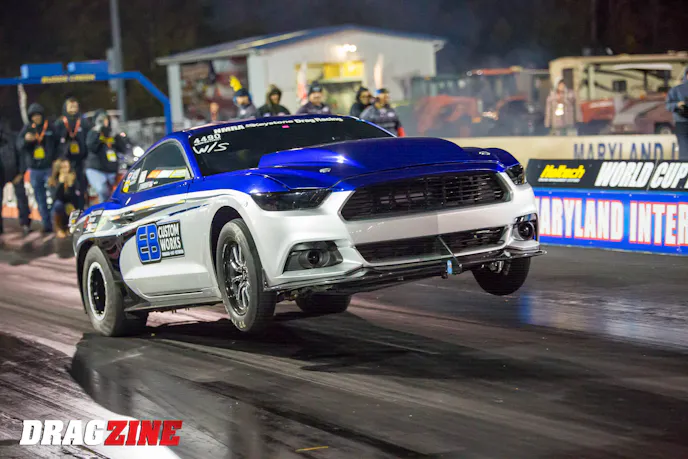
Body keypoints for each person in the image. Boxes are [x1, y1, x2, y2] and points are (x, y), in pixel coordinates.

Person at [16, 103, 56, 234]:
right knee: (40, 197)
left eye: (38, 115)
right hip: (34, 169)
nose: (36, 118)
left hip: (49, 168)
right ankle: (46, 224)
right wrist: (26, 140)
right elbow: (19, 145)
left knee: (54, 195)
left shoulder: (50, 126)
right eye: (34, 116)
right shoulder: (27, 128)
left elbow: (58, 144)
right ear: (30, 117)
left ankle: (55, 221)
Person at [85, 110, 126, 204]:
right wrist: (97, 130)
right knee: (102, 190)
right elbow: (91, 146)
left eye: (105, 119)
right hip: (96, 170)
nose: (104, 121)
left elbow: (123, 148)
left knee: (118, 193)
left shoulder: (112, 133)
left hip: (111, 171)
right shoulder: (93, 132)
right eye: (101, 119)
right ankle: (103, 209)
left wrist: (116, 133)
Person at [53, 97, 87, 209]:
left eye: (75, 106)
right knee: (64, 190)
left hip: (80, 162)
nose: (73, 109)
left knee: (80, 190)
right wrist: (60, 158)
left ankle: (80, 212)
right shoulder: (59, 123)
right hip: (64, 164)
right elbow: (54, 143)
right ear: (65, 108)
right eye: (71, 106)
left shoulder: (83, 122)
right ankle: (63, 215)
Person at [0, 121, 31, 235]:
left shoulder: (13, 137)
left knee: (22, 199)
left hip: (15, 173)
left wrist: (21, 172)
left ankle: (25, 223)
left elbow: (21, 155)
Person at [48, 158, 80, 238]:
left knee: (72, 206)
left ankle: (70, 228)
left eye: (67, 167)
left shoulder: (73, 177)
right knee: (58, 205)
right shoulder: (53, 180)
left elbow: (75, 197)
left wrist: (70, 185)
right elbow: (55, 197)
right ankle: (58, 228)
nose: (65, 170)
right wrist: (61, 183)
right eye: (63, 167)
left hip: (70, 204)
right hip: (58, 205)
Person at [666, 66, 688, 159]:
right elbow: (668, 106)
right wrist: (678, 104)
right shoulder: (676, 90)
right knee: (684, 148)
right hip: (682, 123)